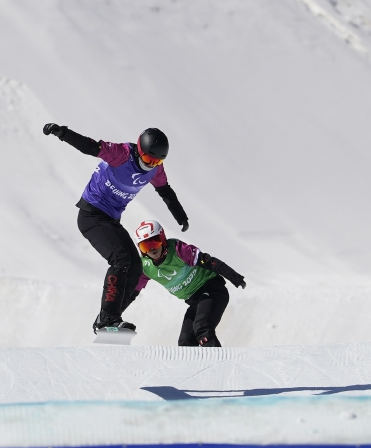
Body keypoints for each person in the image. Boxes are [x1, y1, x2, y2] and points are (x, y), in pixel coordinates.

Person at [42, 123, 190, 334]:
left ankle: (109, 318)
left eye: (157, 161)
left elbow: (165, 191)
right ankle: (107, 319)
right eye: (148, 159)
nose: (151, 165)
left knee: (136, 268)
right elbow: (90, 146)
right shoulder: (122, 154)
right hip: (91, 215)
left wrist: (180, 216)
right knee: (121, 260)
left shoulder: (156, 169)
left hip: (111, 220)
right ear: (139, 150)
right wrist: (63, 133)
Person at [131, 220, 246, 347]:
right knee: (185, 343)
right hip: (196, 302)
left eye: (155, 242)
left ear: (163, 239)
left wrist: (233, 276)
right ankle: (197, 367)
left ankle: (220, 364)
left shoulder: (177, 250)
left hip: (213, 290)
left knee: (203, 330)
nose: (152, 249)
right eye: (145, 246)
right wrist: (113, 314)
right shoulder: (145, 267)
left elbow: (207, 261)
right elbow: (131, 292)